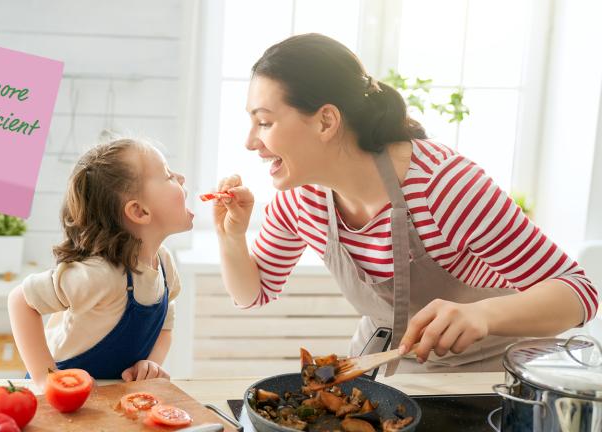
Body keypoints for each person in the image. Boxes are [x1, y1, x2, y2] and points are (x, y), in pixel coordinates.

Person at [212, 34, 598, 373]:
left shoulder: (444, 187)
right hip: (385, 367)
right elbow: (253, 293)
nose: (250, 142)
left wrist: (483, 314)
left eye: (264, 122)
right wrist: (232, 237)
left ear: (326, 121)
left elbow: (580, 293)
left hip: (485, 375)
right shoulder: (301, 200)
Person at [8, 137, 193, 388]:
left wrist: (151, 364)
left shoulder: (163, 263)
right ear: (140, 212)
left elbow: (165, 327)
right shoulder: (101, 275)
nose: (181, 178)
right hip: (60, 396)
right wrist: (45, 378)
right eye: (169, 176)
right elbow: (20, 300)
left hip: (111, 394)